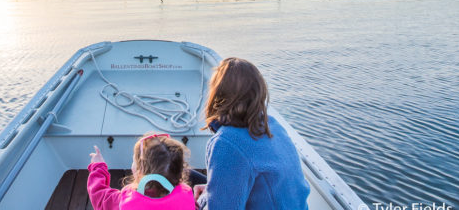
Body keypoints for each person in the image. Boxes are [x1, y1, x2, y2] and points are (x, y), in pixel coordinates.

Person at [195, 57, 310, 209]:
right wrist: (208, 194)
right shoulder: (272, 124)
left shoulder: (227, 144)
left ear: (218, 94)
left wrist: (202, 202)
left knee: (183, 180)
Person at [87, 133, 196, 210]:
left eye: (134, 161)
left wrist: (98, 167)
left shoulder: (122, 201)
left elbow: (99, 196)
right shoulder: (187, 197)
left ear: (140, 172)